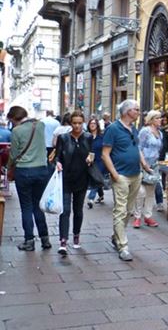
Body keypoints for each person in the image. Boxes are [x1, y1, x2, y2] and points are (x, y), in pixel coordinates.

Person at [101, 99, 154, 261]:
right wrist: (115, 175)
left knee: (129, 210)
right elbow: (105, 154)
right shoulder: (113, 129)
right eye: (136, 109)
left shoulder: (133, 129)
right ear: (127, 112)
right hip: (121, 176)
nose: (139, 112)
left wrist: (144, 165)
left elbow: (136, 148)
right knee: (120, 210)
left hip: (135, 174)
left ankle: (117, 235)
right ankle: (123, 246)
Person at [6, 106, 51, 251]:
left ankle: (29, 240)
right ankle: (45, 239)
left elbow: (13, 154)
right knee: (38, 205)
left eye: (12, 121)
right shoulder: (40, 125)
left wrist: (8, 168)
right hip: (41, 170)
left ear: (14, 118)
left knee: (26, 206)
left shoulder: (17, 131)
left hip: (24, 171)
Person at [54, 110, 93, 255]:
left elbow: (92, 152)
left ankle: (76, 236)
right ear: (70, 123)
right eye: (74, 123)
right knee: (65, 210)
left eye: (79, 123)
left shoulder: (88, 137)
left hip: (82, 178)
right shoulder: (63, 138)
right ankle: (63, 241)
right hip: (66, 178)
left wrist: (91, 158)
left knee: (78, 210)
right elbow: (57, 156)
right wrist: (57, 164)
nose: (77, 126)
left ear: (83, 122)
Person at [134, 110, 163, 229]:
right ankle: (137, 216)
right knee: (141, 192)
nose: (160, 120)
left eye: (160, 118)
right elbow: (138, 147)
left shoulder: (160, 133)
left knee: (151, 192)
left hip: (154, 165)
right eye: (158, 118)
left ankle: (148, 216)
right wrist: (143, 163)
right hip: (143, 163)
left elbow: (158, 149)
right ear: (152, 120)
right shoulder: (145, 131)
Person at [86, 118, 106, 208]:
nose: (92, 125)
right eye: (91, 123)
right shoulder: (86, 136)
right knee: (96, 179)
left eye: (94, 123)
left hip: (100, 161)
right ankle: (101, 195)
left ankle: (91, 198)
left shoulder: (102, 137)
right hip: (90, 160)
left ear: (97, 125)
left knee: (96, 178)